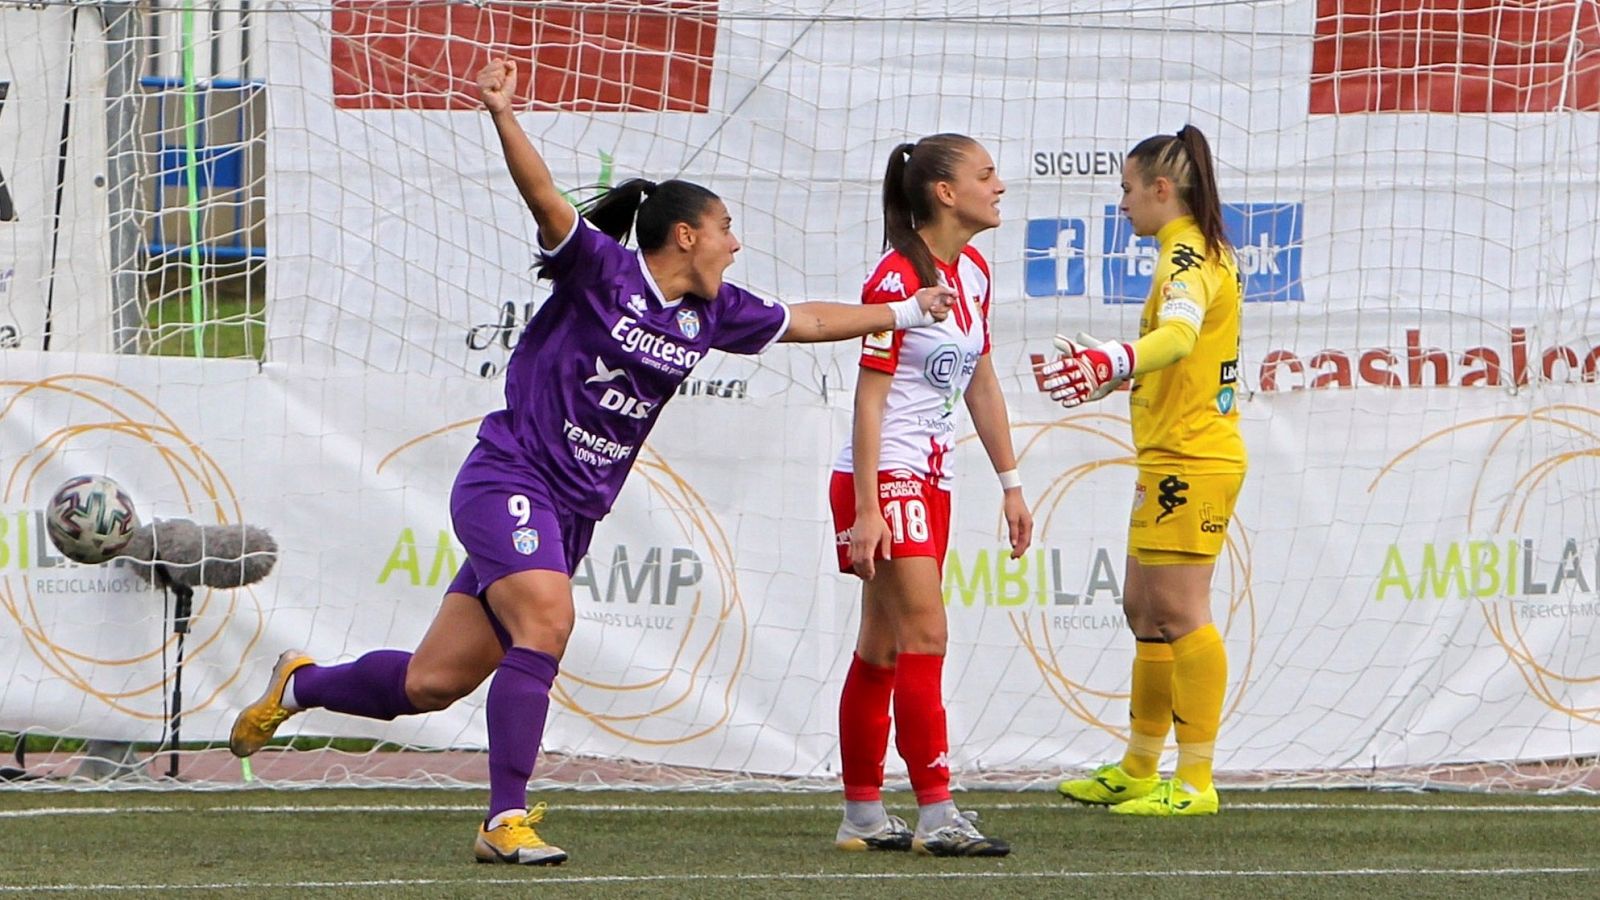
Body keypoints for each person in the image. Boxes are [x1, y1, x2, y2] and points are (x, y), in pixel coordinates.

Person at [227, 58, 954, 866]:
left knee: (432, 684)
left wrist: (902, 308)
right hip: (509, 478)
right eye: (726, 228)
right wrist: (504, 114)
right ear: (687, 235)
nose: (736, 242)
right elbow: (547, 202)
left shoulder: (714, 313)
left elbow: (809, 321)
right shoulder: (602, 270)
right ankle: (504, 821)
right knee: (548, 621)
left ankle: (299, 683)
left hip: (573, 513)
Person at [829, 134, 1033, 857]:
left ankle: (860, 815)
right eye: (986, 174)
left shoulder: (972, 271)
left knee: (882, 647)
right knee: (926, 636)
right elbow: (869, 398)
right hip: (887, 478)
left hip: (929, 477)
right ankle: (938, 815)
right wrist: (867, 507)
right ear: (944, 193)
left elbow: (980, 378)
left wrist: (1011, 484)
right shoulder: (894, 281)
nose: (1000, 185)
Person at [1041, 125, 1245, 816]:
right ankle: (1137, 767)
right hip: (1169, 454)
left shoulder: (1184, 255)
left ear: (1163, 189)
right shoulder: (1189, 249)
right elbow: (1181, 355)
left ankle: (1195, 784)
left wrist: (1114, 359)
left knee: (1180, 613)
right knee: (1142, 608)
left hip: (1193, 457)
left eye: (1128, 190)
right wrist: (1112, 374)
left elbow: (1181, 335)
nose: (1122, 203)